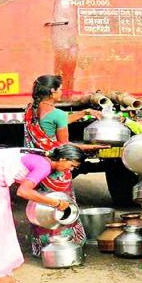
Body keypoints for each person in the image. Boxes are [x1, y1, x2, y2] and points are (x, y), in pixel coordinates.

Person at [0, 144, 86, 283]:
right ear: (63, 158)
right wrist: (56, 203)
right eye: (71, 165)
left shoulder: (44, 157)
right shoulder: (44, 166)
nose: (70, 169)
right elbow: (23, 192)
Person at [24, 75, 107, 256]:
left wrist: (84, 112)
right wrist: (91, 147)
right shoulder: (58, 114)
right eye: (60, 89)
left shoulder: (31, 110)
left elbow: (54, 122)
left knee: (42, 207)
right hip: (57, 170)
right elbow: (64, 146)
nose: (62, 92)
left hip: (38, 166)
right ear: (53, 91)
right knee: (62, 204)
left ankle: (43, 247)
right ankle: (65, 246)